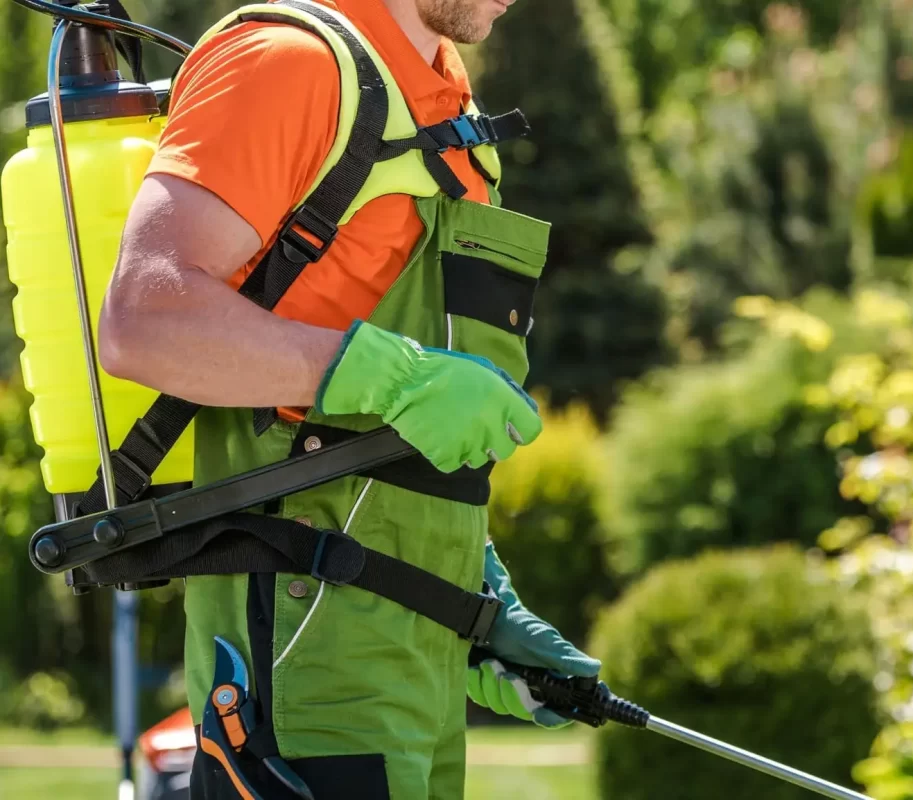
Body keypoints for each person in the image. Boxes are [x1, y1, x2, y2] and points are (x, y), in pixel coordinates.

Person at [97, 0, 600, 796]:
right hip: (303, 646)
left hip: (409, 651)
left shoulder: (448, 101)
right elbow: (144, 320)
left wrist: (474, 597)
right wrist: (393, 376)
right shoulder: (288, 64)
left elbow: (397, 440)